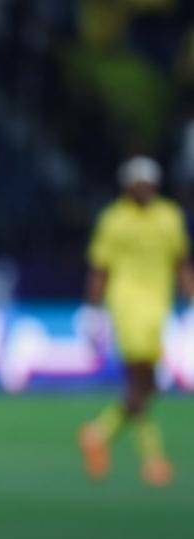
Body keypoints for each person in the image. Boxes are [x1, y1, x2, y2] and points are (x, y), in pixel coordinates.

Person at [78, 156, 194, 487]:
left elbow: (181, 263)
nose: (144, 189)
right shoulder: (114, 220)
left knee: (148, 384)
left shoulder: (169, 217)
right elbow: (100, 269)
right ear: (128, 186)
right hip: (127, 307)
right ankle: (152, 458)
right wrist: (93, 311)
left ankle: (99, 433)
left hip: (158, 308)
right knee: (139, 380)